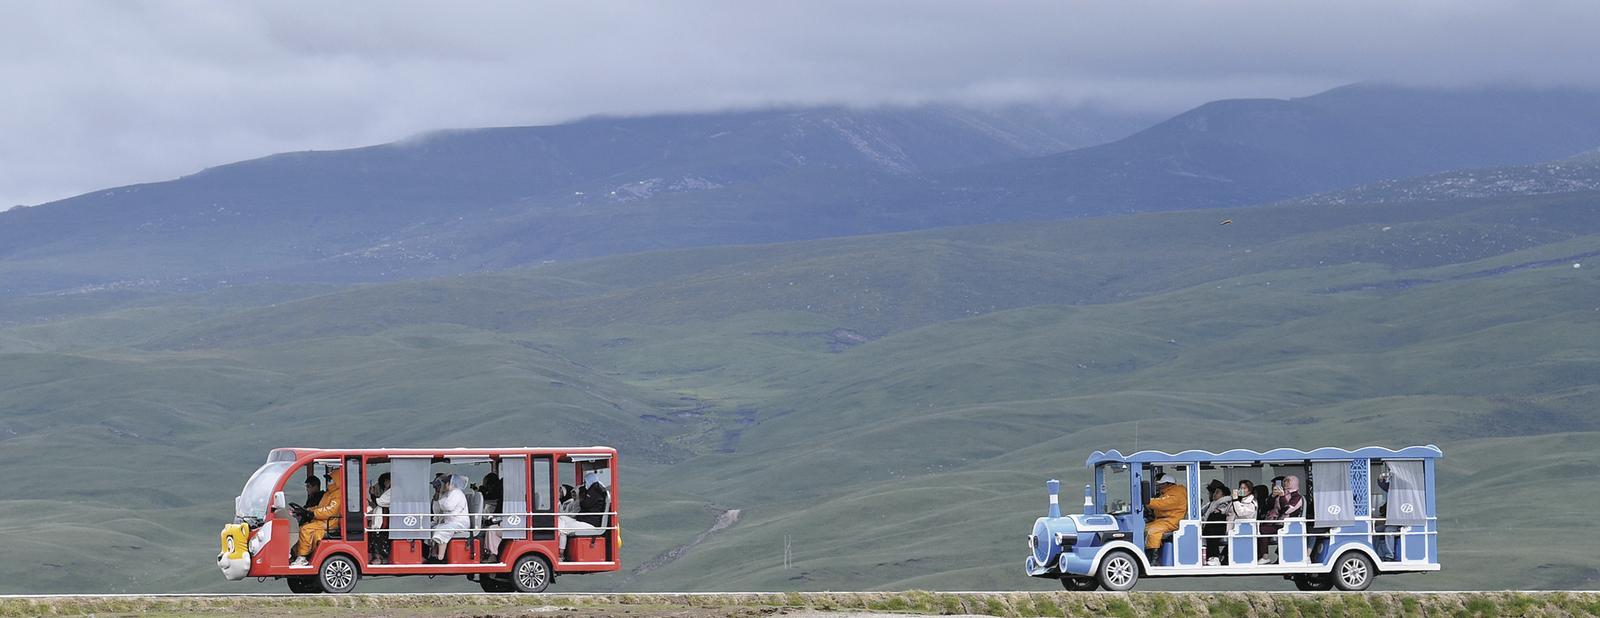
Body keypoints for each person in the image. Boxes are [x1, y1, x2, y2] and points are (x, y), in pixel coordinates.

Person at [290, 470, 341, 567]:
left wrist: (313, 513)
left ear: (337, 480)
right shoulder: (328, 494)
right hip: (322, 520)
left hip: (330, 522)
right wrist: (309, 510)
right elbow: (320, 507)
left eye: (331, 480)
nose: (329, 482)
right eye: (328, 480)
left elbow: (331, 511)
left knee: (305, 529)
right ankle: (296, 554)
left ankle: (302, 557)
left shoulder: (338, 494)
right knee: (302, 527)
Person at [1257, 475, 1304, 564]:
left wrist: (1282, 497)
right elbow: (1268, 507)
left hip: (1289, 525)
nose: (1285, 483)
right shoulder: (1282, 494)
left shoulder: (1297, 497)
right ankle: (1264, 556)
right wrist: (1273, 496)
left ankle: (1265, 556)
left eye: (1288, 481)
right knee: (1259, 528)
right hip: (1278, 523)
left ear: (1294, 482)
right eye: (1284, 481)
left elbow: (1287, 510)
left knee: (1263, 530)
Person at [1143, 473, 1187, 564]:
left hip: (1172, 521)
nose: (1158, 486)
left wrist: (1147, 501)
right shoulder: (1166, 493)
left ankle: (1154, 559)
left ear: (1168, 484)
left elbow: (1162, 504)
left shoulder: (1177, 493)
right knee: (1142, 528)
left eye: (1160, 484)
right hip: (1163, 520)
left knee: (1153, 531)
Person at [428, 474, 469, 563]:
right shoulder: (447, 493)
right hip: (450, 522)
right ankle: (433, 554)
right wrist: (437, 499)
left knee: (442, 530)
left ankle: (440, 558)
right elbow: (437, 511)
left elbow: (448, 506)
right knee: (432, 527)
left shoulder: (457, 493)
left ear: (450, 484)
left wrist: (440, 499)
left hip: (459, 522)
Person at [1199, 479, 1232, 565]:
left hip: (1219, 527)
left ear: (1223, 494)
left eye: (1217, 492)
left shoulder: (1225, 502)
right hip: (1210, 526)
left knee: (1212, 534)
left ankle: (1215, 557)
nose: (1213, 494)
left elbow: (1223, 511)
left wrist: (1219, 511)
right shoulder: (1212, 504)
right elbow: (1201, 512)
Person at [366, 472, 392, 564]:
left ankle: (379, 558)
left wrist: (372, 494)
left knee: (378, 537)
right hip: (382, 518)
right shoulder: (387, 491)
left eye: (386, 481)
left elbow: (379, 502)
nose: (385, 483)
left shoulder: (392, 491)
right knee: (376, 536)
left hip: (384, 519)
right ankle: (378, 557)